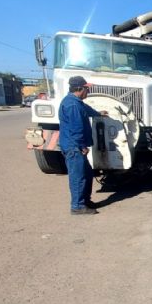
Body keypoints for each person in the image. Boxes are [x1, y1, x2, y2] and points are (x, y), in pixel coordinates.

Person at [58, 76, 107, 215]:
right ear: (79, 89)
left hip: (74, 145)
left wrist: (99, 114)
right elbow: (76, 128)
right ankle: (77, 206)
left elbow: (87, 109)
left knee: (87, 173)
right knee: (78, 177)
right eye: (87, 88)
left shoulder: (76, 102)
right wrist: (81, 146)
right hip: (74, 147)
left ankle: (85, 201)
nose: (88, 91)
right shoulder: (73, 105)